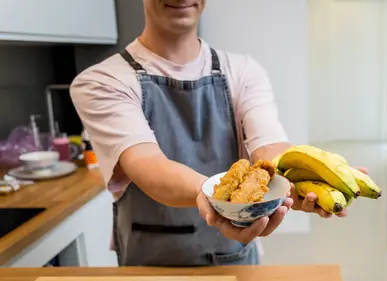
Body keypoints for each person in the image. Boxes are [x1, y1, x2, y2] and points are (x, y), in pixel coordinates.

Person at [70, 0, 365, 267]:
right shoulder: (101, 81)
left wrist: (295, 180)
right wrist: (214, 196)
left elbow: (269, 145)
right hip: (150, 266)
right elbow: (147, 165)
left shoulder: (243, 70)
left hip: (234, 256)